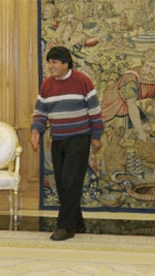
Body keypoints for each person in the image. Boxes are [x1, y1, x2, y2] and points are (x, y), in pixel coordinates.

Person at [30, 46, 104, 241]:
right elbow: (40, 112)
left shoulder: (83, 81)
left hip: (80, 138)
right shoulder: (47, 85)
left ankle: (65, 227)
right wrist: (36, 130)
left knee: (71, 181)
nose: (50, 66)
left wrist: (96, 136)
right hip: (58, 139)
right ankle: (77, 221)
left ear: (65, 63)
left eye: (54, 62)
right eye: (49, 62)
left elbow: (95, 111)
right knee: (63, 184)